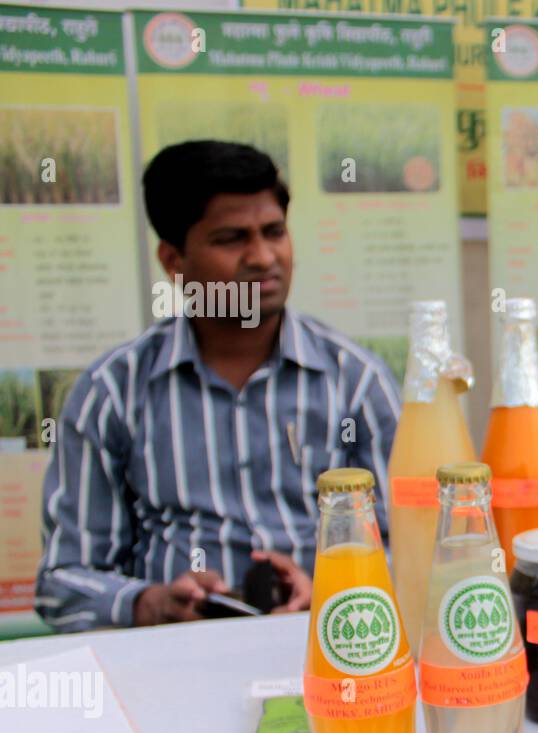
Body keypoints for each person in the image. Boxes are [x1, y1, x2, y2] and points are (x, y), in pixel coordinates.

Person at [35, 141, 401, 632]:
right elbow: (62, 583)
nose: (263, 257)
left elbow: (414, 550)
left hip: (329, 652)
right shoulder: (113, 393)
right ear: (174, 260)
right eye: (232, 239)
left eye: (274, 232)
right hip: (169, 663)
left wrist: (334, 587)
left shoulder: (356, 381)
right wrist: (150, 602)